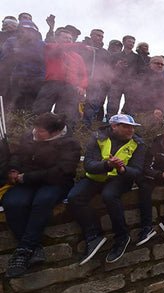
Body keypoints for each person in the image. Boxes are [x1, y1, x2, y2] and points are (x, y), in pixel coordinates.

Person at [3, 113, 80, 278]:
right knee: (13, 202)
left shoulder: (70, 144)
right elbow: (17, 155)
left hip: (55, 182)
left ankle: (23, 252)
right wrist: (14, 170)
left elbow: (60, 172)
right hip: (26, 180)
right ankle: (33, 247)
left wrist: (25, 177)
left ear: (56, 132)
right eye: (35, 129)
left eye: (41, 131)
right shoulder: (29, 136)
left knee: (42, 202)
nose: (36, 133)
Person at [68, 114, 145, 265]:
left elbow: (137, 171)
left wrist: (122, 169)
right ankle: (93, 235)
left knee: (109, 195)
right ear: (114, 126)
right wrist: (107, 165)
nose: (131, 130)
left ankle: (122, 237)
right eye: (126, 126)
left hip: (120, 179)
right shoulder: (97, 137)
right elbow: (88, 164)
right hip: (96, 177)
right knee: (74, 197)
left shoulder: (138, 143)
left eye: (133, 127)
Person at [31, 27, 87, 126]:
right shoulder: (50, 47)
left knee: (67, 113)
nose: (69, 40)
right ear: (57, 38)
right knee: (41, 109)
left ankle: (64, 133)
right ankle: (35, 129)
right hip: (52, 83)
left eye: (70, 38)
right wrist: (83, 46)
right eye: (65, 38)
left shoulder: (78, 57)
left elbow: (83, 74)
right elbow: (61, 48)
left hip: (70, 86)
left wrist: (82, 86)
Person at [106, 35, 138, 117]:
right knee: (112, 105)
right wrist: (116, 66)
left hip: (130, 84)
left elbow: (140, 70)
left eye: (133, 42)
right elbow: (107, 69)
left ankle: (127, 124)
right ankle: (110, 123)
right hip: (116, 82)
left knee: (130, 106)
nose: (131, 44)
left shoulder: (137, 57)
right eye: (129, 41)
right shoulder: (115, 56)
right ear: (123, 42)